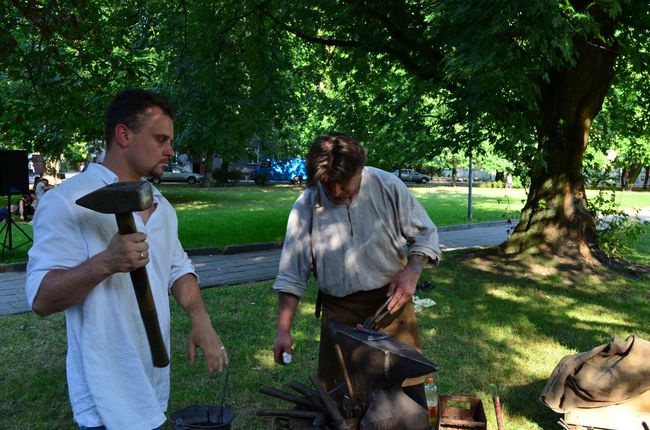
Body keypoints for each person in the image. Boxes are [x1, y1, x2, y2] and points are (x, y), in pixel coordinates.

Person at [25, 89, 228, 429]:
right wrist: (106, 262)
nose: (170, 150)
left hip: (152, 385)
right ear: (123, 135)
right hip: (104, 399)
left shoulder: (160, 204)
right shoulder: (66, 202)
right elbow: (41, 299)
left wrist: (201, 319)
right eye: (161, 139)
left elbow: (177, 269)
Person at [271, 132, 441, 409]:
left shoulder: (387, 186)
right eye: (328, 184)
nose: (336, 192)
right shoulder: (306, 205)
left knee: (408, 397)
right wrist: (283, 329)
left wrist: (412, 271)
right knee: (341, 400)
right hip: (340, 314)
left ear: (359, 169)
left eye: (343, 183)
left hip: (391, 307)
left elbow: (425, 235)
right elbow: (292, 273)